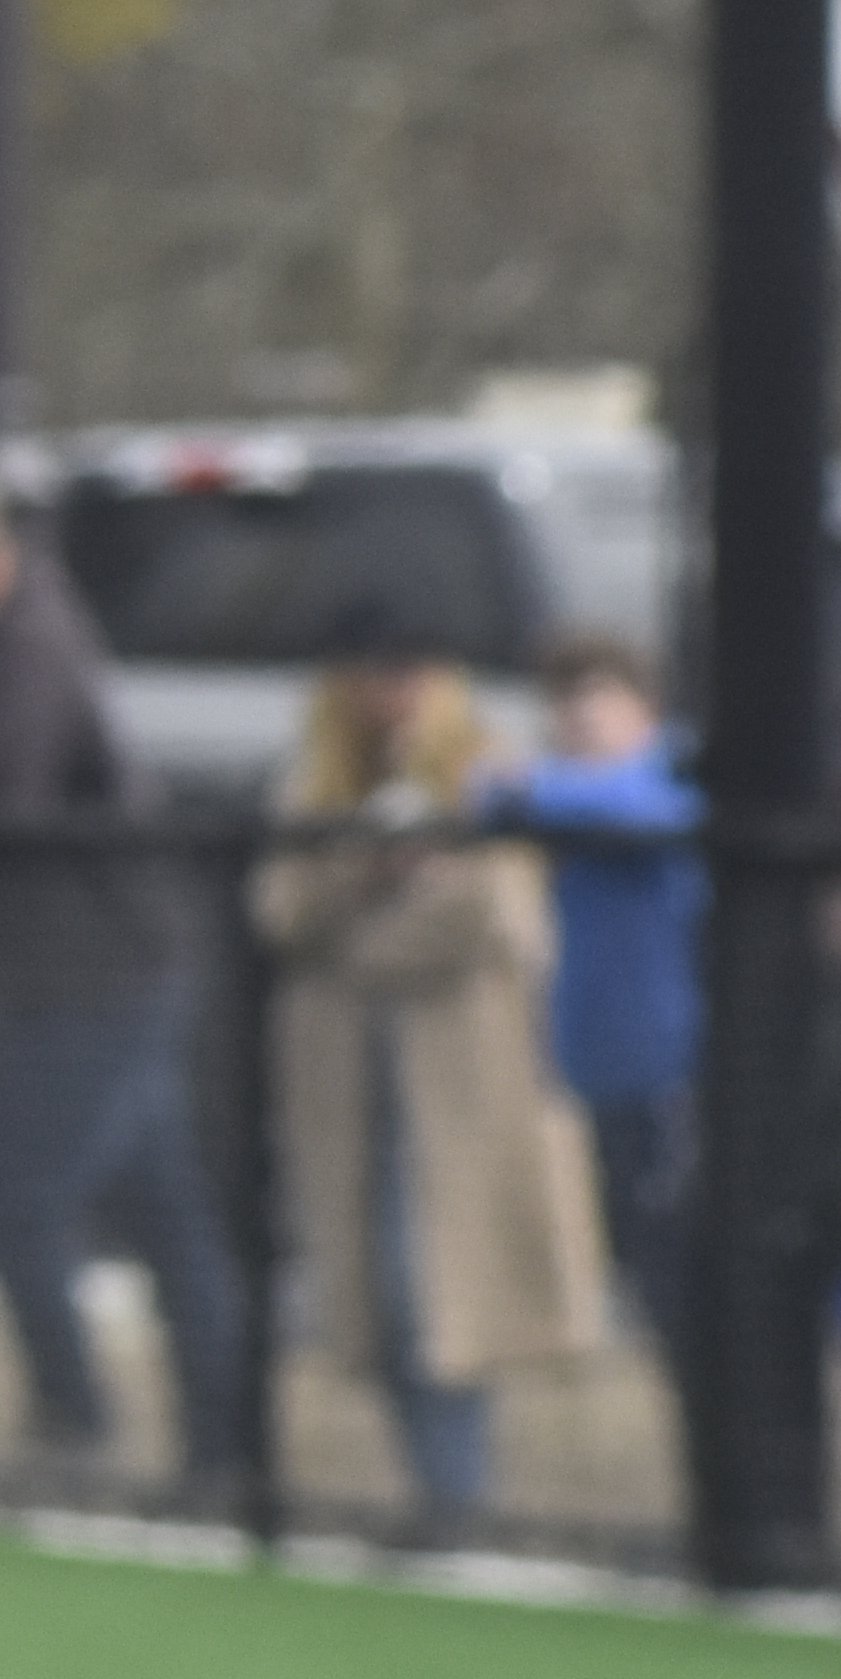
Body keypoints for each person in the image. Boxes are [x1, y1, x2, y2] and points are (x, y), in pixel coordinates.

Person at [0, 474, 251, 1492]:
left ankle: (76, 1422)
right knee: (166, 1211)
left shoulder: (33, 643)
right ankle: (225, 1446)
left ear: (0, 559)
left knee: (12, 1190)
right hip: (59, 971)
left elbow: (7, 785)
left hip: (107, 968)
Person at [257, 636, 599, 1534]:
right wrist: (366, 864)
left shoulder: (488, 773)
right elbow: (281, 913)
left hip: (462, 1090)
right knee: (374, 1293)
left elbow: (490, 912)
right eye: (372, 668)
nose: (390, 689)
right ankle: (438, 1492)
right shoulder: (315, 784)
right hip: (353, 1082)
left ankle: (458, 1500)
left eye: (409, 670)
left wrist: (366, 946)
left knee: (435, 1293)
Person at [505, 627, 700, 1359]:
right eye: (567, 709)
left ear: (645, 708)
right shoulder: (561, 802)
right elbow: (488, 796)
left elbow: (643, 810)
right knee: (649, 1285)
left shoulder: (671, 781)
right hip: (597, 1069)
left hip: (679, 1071)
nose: (581, 724)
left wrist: (538, 787)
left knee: (693, 1278)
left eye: (600, 705)